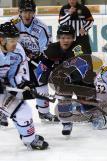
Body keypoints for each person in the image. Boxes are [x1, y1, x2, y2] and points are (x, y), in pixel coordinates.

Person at [37, 24, 97, 136]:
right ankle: (66, 122)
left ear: (73, 38)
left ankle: (92, 113)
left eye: (69, 37)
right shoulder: (52, 49)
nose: (65, 40)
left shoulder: (77, 48)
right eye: (63, 37)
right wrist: (43, 76)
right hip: (63, 81)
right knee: (63, 97)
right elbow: (44, 65)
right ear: (58, 38)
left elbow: (85, 63)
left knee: (88, 98)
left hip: (80, 78)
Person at [0, 22, 48, 150]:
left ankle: (30, 140)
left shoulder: (18, 51)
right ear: (1, 40)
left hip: (3, 88)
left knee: (23, 112)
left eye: (16, 40)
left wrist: (23, 86)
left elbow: (15, 74)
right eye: (12, 41)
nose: (15, 44)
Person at [9, 0, 59, 123]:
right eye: (25, 12)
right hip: (17, 59)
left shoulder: (41, 27)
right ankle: (3, 113)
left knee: (41, 83)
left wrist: (40, 61)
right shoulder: (13, 23)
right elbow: (5, 40)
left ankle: (44, 113)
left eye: (30, 12)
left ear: (34, 12)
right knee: (12, 85)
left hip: (36, 59)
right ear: (19, 12)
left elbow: (46, 49)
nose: (27, 15)